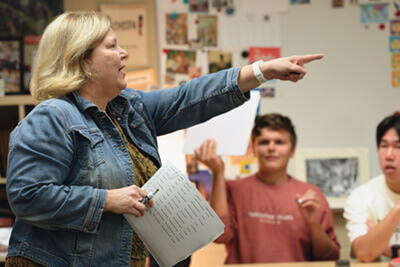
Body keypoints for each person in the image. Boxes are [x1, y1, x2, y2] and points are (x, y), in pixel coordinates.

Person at [4, 10, 323, 267]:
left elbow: (190, 97)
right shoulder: (53, 116)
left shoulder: (130, 109)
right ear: (82, 59)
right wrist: (108, 200)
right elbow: (27, 196)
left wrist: (263, 71)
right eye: (113, 46)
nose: (124, 52)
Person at [195, 113, 340, 263]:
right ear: (253, 149)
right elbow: (219, 236)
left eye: (279, 142)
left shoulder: (311, 195)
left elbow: (330, 256)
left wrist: (314, 225)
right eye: (264, 142)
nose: (271, 148)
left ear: (292, 150)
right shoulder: (234, 188)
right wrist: (218, 173)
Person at [344, 112, 400, 262]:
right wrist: (397, 209)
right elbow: (364, 253)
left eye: (398, 146)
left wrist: (392, 250)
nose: (389, 155)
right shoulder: (362, 196)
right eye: (383, 146)